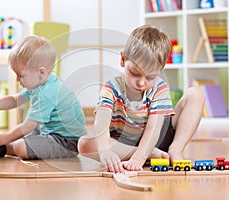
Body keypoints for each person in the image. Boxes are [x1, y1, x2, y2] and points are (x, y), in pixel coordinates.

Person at [78, 25, 205, 173]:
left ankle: (175, 150)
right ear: (123, 60)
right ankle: (149, 154)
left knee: (196, 94)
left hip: (158, 138)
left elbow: (154, 127)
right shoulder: (111, 88)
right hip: (124, 143)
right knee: (84, 144)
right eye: (135, 73)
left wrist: (139, 159)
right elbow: (101, 122)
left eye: (150, 77)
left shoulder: (159, 88)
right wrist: (105, 150)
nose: (142, 83)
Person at [0, 35, 87, 159]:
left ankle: (6, 147)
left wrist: (0, 139)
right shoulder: (40, 82)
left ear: (41, 72)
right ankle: (4, 147)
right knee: (25, 138)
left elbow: (28, 126)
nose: (17, 79)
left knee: (21, 146)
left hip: (67, 143)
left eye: (21, 75)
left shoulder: (47, 93)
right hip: (50, 133)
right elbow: (15, 100)